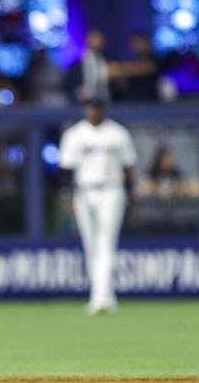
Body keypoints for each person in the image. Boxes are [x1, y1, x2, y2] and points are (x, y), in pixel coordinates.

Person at [58, 99, 137, 315]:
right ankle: (102, 295)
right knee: (91, 245)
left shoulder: (118, 133)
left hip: (112, 190)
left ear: (102, 109)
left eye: (96, 107)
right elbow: (66, 171)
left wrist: (131, 194)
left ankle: (101, 298)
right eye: (89, 107)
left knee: (106, 243)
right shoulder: (75, 134)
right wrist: (68, 199)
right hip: (84, 191)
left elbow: (129, 166)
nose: (92, 111)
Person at [65, 29, 117, 103]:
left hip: (107, 103)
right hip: (84, 104)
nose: (97, 41)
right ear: (87, 40)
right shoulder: (77, 65)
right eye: (94, 38)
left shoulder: (110, 61)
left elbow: (116, 86)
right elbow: (69, 86)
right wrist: (77, 93)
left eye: (99, 38)